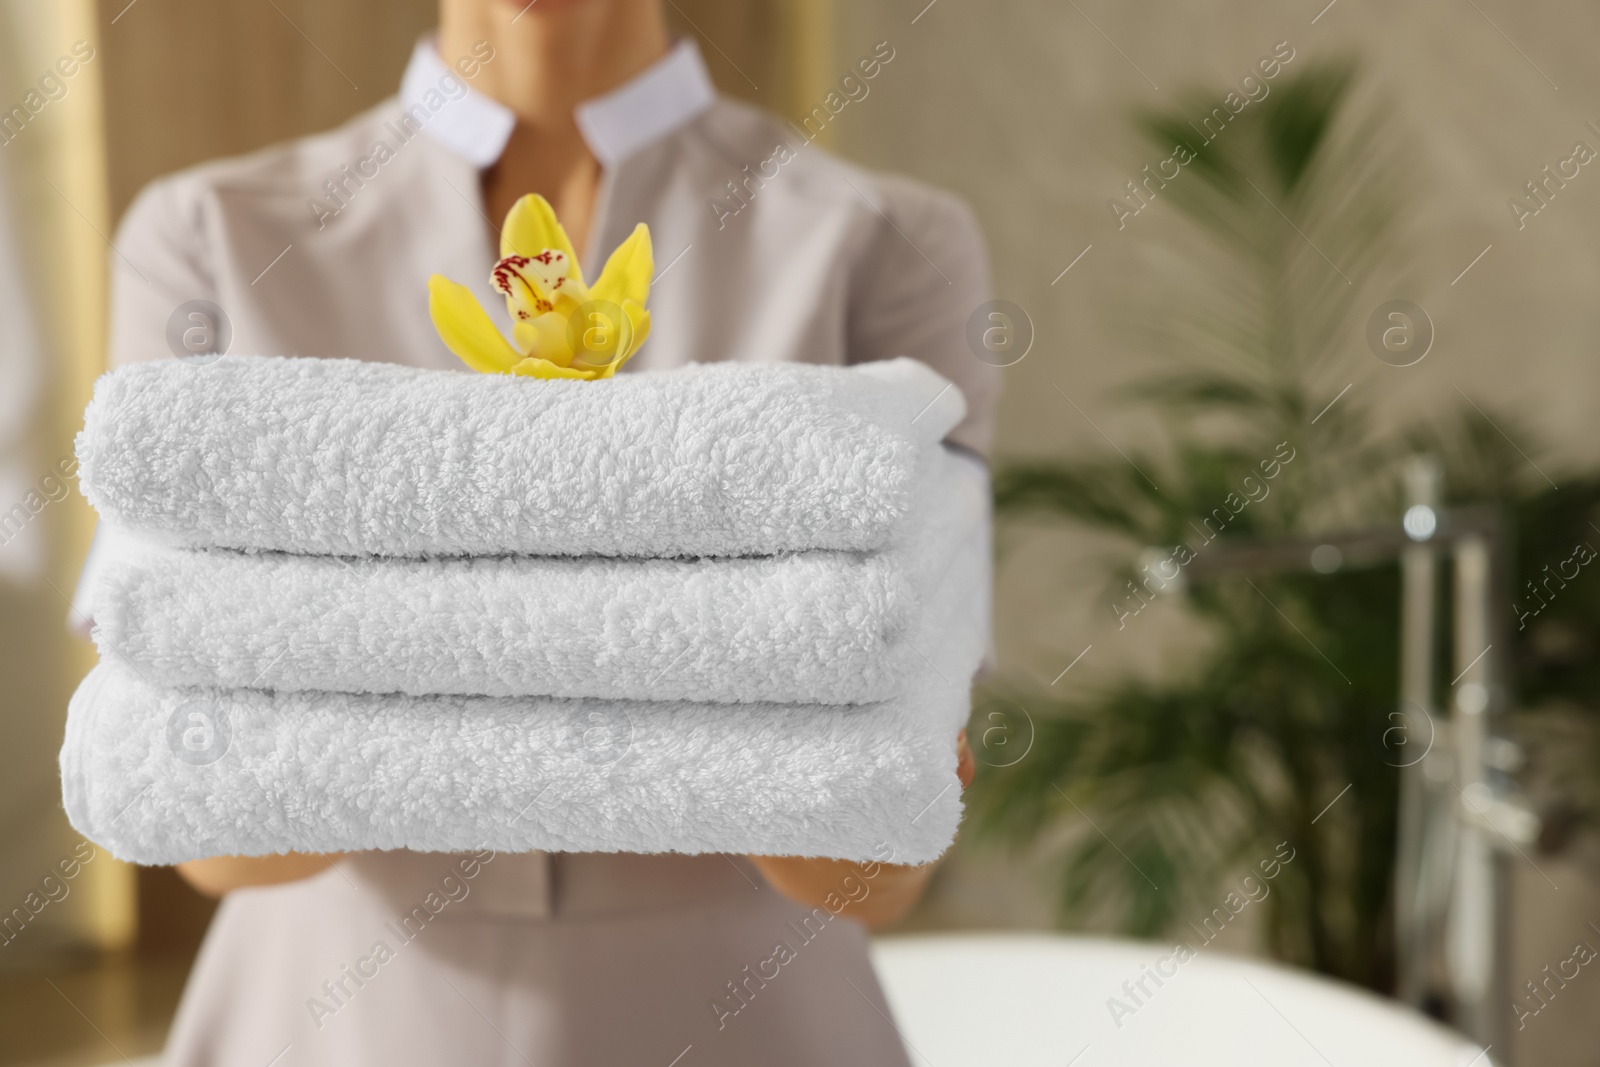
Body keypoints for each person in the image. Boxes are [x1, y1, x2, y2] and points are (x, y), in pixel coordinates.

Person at [91, 0, 999, 1062]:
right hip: (334, 1014)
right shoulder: (204, 230)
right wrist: (712, 682)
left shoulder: (888, 243)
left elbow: (879, 863)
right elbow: (209, 819)